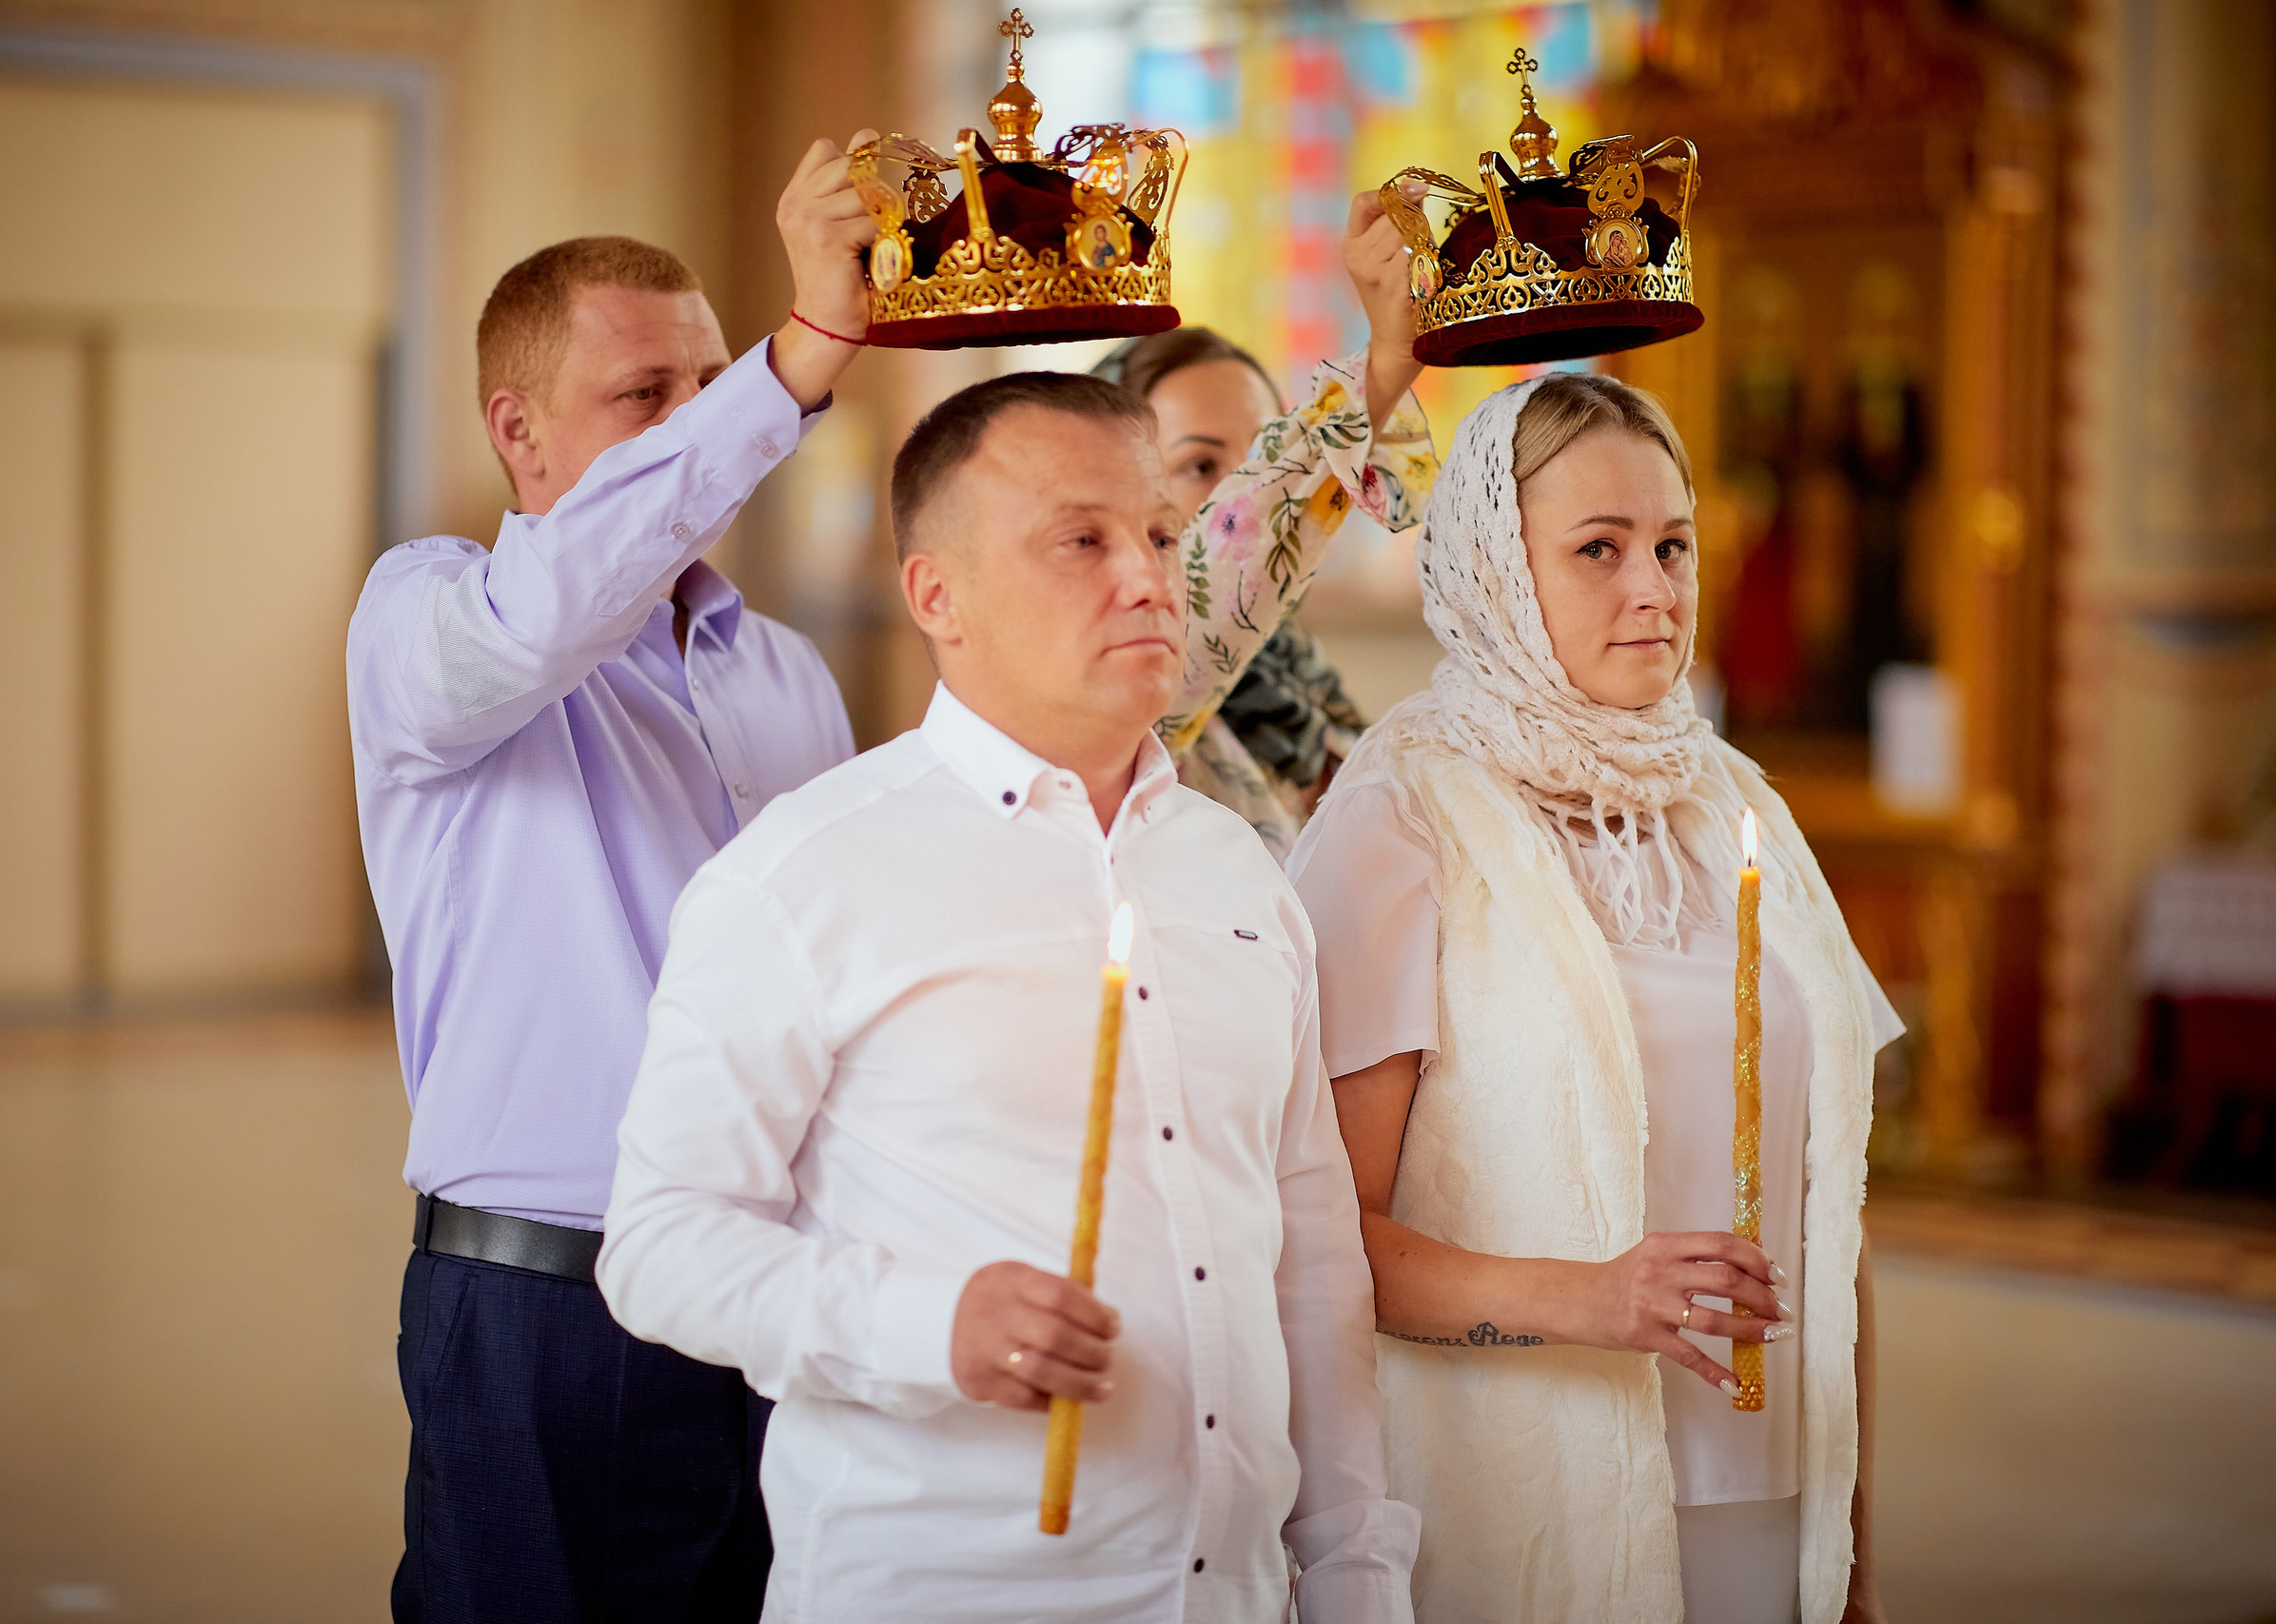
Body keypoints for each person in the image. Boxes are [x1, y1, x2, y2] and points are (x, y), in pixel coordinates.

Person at [598, 371, 1418, 1622]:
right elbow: (659, 1244)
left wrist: (1360, 1570)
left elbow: (1308, 1257)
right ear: (940, 594)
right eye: (1079, 540)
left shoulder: (1236, 869)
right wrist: (929, 1320)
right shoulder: (803, 875)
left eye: (1156, 533)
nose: (1147, 577)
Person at [346, 131, 878, 1622]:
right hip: (540, 1308)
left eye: (712, 388)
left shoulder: (785, 672)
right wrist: (801, 359)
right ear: (519, 433)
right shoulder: (426, 621)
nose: (698, 429)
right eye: (646, 396)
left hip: (771, 1285)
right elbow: (544, 616)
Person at [1288, 375, 1903, 1624]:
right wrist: (1587, 1295)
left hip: (1773, 1481)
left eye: (1673, 543)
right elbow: (1316, 1233)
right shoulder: (1405, 807)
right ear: (1499, 569)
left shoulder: (1741, 803)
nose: (1656, 589)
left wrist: (1852, 1539)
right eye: (1598, 549)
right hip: (1516, 1481)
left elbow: (1834, 1210)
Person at [1102, 191, 1440, 862]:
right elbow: (1221, 567)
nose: (1237, 491)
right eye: (1200, 464)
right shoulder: (1121, 692)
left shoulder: (1307, 693)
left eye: (1261, 454)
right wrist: (1384, 365)